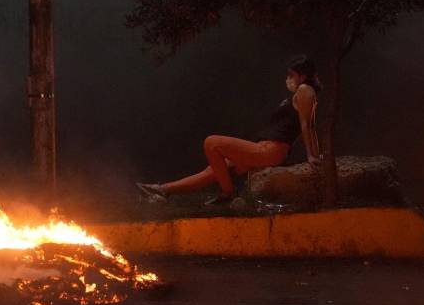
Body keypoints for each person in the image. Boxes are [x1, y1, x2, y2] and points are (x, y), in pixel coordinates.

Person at [137, 55, 322, 205]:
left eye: (292, 74)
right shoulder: (303, 92)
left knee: (212, 142)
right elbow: (308, 124)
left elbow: (308, 125)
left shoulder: (305, 90)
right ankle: (164, 190)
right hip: (264, 148)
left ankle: (228, 193)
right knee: (215, 169)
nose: (288, 79)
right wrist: (315, 154)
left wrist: (312, 156)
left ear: (303, 77)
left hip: (270, 151)